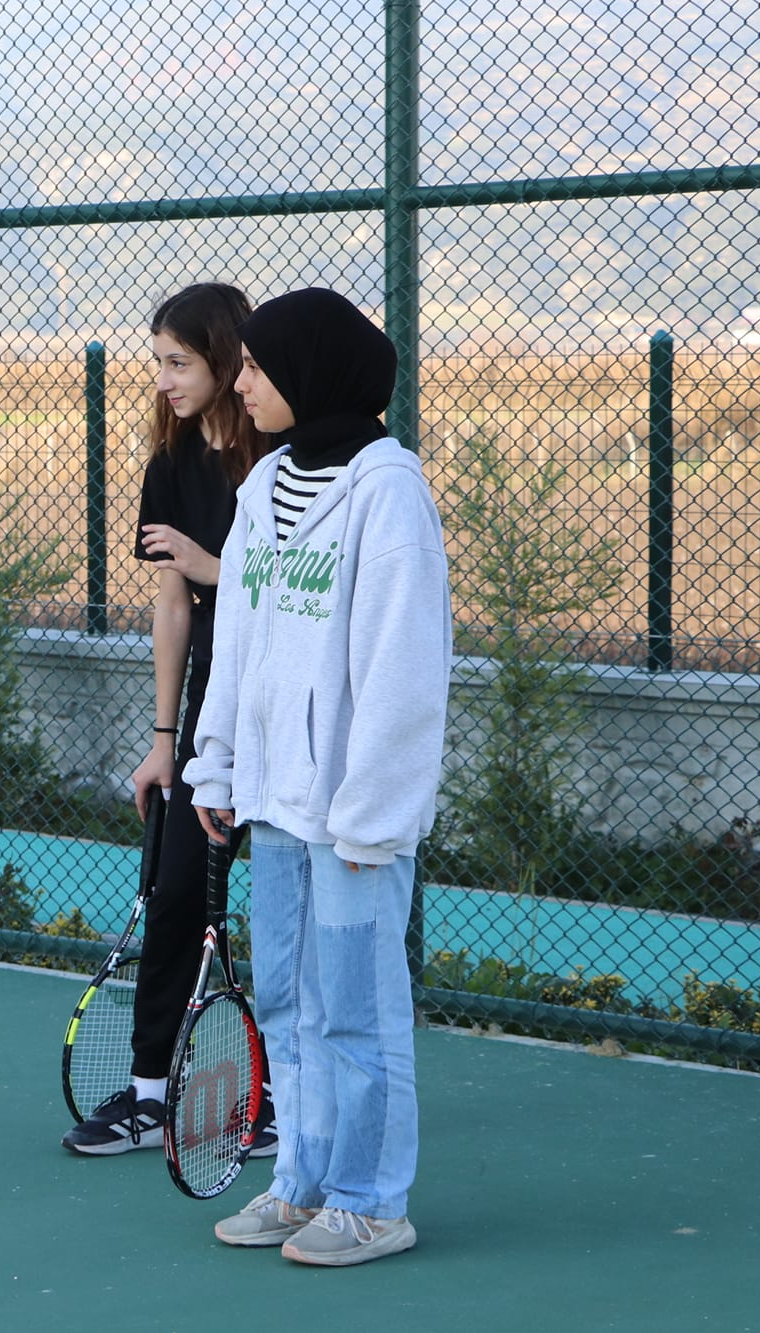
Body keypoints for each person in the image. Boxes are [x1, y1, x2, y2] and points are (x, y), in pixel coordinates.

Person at [183, 287, 450, 1266]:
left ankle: (371, 1202)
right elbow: (238, 648)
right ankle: (299, 1180)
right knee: (291, 1006)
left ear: (307, 373)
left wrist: (371, 818)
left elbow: (402, 671)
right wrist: (216, 769)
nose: (240, 382)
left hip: (350, 825)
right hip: (277, 812)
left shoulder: (386, 493)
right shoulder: (262, 490)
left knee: (354, 1009)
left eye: (255, 366)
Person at [61, 283, 275, 1158]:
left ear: (227, 360)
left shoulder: (286, 458)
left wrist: (210, 563)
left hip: (287, 715)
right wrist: (163, 742)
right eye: (157, 362)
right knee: (175, 892)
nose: (162, 381)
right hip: (210, 722)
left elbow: (293, 588)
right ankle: (152, 1093)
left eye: (177, 362)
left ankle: (285, 1104)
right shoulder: (172, 465)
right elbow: (172, 606)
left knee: (296, 912)